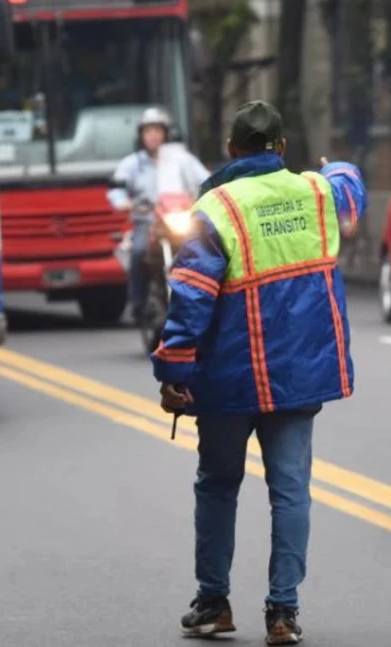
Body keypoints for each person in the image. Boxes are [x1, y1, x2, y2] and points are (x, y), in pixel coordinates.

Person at [150, 100, 367, 645]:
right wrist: (333, 164)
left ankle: (214, 602)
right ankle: (283, 613)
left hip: (231, 379)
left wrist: (175, 366)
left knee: (219, 484)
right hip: (298, 377)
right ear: (283, 149)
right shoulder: (318, 193)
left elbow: (192, 296)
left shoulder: (216, 208)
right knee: (290, 490)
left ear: (231, 150)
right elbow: (350, 184)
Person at [107, 106, 208, 322]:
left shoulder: (182, 159)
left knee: (208, 249)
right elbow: (116, 188)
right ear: (141, 135)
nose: (152, 135)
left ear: (165, 134)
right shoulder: (132, 164)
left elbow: (204, 180)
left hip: (180, 220)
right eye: (148, 131)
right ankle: (138, 302)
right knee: (138, 251)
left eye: (157, 130)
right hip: (148, 222)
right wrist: (123, 202)